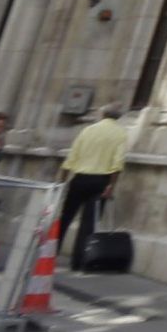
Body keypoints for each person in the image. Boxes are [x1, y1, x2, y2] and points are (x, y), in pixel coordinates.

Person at [58, 104, 131, 268]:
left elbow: (71, 157)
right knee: (89, 223)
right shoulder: (120, 133)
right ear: (118, 117)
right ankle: (78, 261)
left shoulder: (87, 130)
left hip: (79, 178)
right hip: (101, 181)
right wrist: (111, 185)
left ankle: (50, 252)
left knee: (65, 217)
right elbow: (117, 163)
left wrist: (62, 182)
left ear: (102, 114)